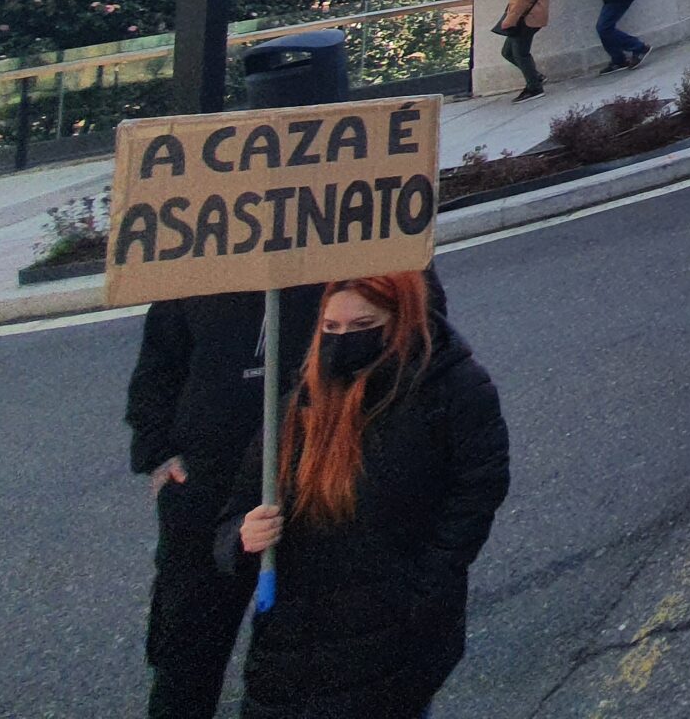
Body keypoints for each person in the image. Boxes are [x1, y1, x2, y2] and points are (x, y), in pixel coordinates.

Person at [217, 272, 510, 719]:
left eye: (362, 326)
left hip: (392, 642)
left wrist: (426, 584)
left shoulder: (449, 388)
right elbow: (235, 512)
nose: (343, 340)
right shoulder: (298, 405)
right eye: (331, 328)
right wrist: (244, 535)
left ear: (401, 320)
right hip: (292, 649)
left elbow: (478, 488)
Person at [128, 285, 326, 719]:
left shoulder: (333, 257)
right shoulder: (198, 273)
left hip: (311, 471)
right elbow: (158, 365)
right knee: (189, 644)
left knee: (310, 650)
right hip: (206, 483)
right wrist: (157, 450)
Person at [496, 0, 551, 99]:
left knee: (519, 52)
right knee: (509, 52)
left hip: (527, 17)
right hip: (535, 15)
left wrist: (509, 20)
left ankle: (534, 87)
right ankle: (535, 76)